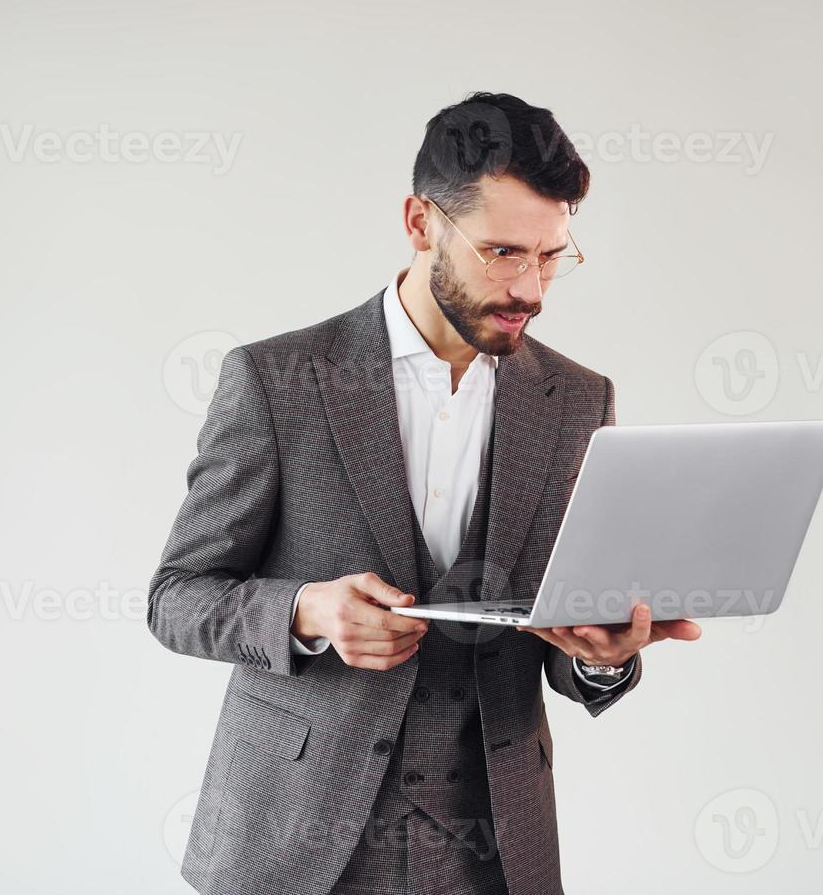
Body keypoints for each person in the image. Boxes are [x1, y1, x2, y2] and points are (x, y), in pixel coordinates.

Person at [147, 91, 702, 895]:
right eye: (503, 252)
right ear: (420, 223)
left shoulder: (581, 400)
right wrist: (307, 611)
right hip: (295, 843)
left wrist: (606, 661)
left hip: (494, 849)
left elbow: (564, 625)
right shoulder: (277, 381)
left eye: (552, 256)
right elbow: (177, 598)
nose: (533, 290)